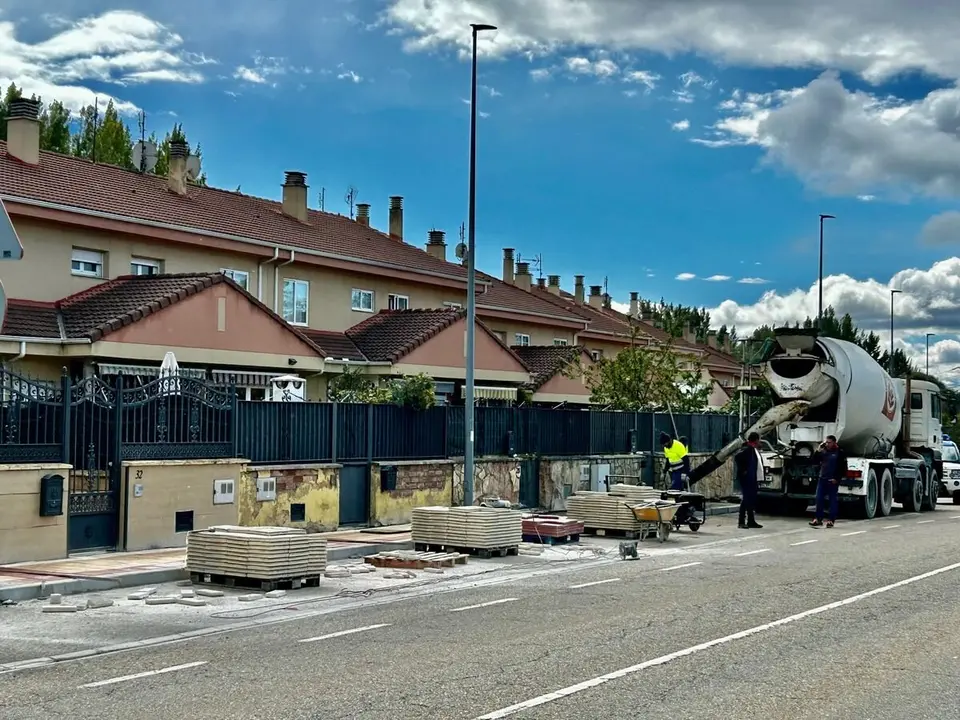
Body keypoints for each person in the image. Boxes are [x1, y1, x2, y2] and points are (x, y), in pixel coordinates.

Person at [810, 435, 847, 528]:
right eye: (826, 442)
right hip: (822, 479)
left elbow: (843, 468)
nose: (827, 444)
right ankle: (818, 519)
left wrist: (837, 479)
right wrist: (818, 450)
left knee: (832, 500)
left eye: (829, 442)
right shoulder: (824, 451)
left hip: (833, 480)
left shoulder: (840, 452)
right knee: (819, 498)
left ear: (834, 442)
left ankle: (831, 520)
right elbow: (814, 460)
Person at [733, 432, 764, 529]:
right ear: (756, 440)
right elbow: (737, 457)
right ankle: (741, 521)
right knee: (746, 499)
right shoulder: (747, 448)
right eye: (759, 439)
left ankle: (751, 521)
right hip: (747, 478)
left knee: (751, 500)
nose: (760, 441)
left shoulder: (753, 449)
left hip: (753, 478)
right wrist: (743, 470)